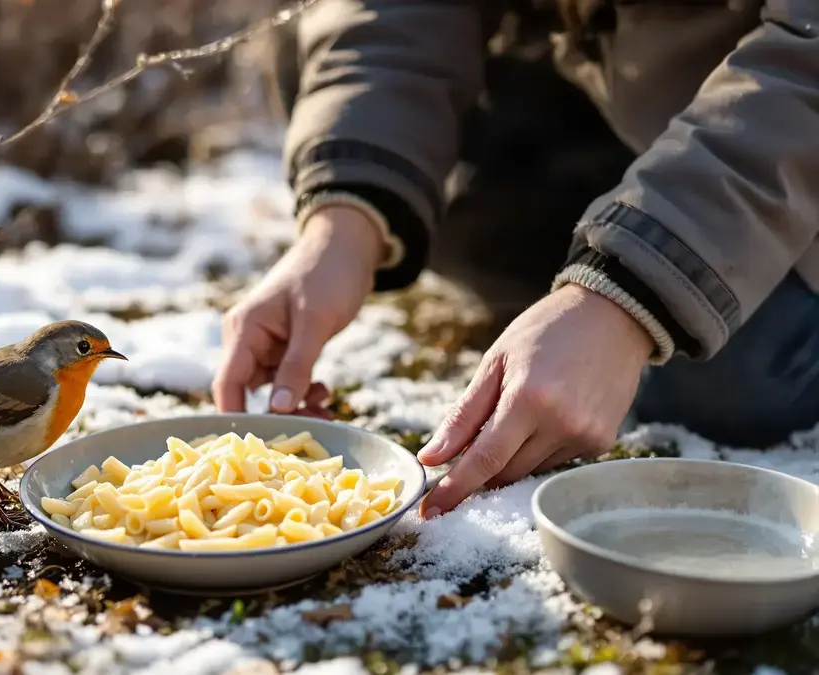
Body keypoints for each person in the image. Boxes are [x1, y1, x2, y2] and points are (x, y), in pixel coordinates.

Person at [212, 0, 819, 519]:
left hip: (778, 112)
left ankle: (629, 282)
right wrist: (345, 219)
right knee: (445, 207)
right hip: (600, 90)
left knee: (735, 381)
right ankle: (608, 258)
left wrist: (628, 295)